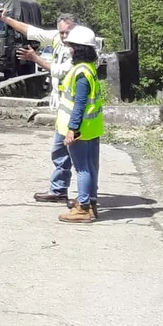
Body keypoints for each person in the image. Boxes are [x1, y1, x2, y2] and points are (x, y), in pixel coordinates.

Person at [0, 8, 77, 203]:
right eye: (61, 32)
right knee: (60, 150)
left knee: (77, 156)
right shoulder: (56, 38)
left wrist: (36, 59)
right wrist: (6, 19)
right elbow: (30, 30)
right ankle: (59, 190)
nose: (64, 36)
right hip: (63, 106)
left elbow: (61, 71)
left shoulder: (77, 47)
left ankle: (84, 198)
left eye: (67, 32)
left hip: (73, 107)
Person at [56, 25, 104, 223]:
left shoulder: (81, 73)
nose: (69, 49)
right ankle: (90, 203)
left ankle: (83, 208)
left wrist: (72, 130)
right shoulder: (90, 68)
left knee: (82, 168)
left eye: (72, 46)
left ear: (78, 49)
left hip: (80, 129)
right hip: (91, 128)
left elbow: (80, 104)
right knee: (91, 166)